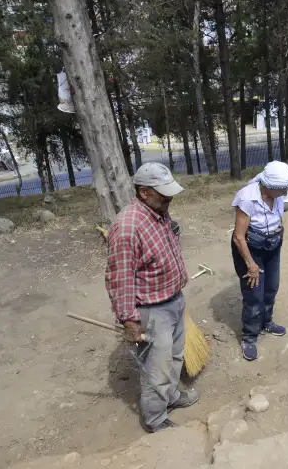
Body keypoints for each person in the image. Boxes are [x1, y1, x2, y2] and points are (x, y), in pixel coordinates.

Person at [105, 162, 199, 433]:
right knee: (156, 370)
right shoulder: (127, 227)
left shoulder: (158, 212)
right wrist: (129, 321)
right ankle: (156, 419)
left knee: (175, 357)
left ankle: (171, 397)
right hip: (151, 310)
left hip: (173, 300)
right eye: (163, 193)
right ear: (144, 192)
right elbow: (119, 280)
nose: (169, 198)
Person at [231, 161, 288, 361]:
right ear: (269, 187)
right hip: (250, 249)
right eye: (282, 190)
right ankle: (249, 336)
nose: (286, 193)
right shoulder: (248, 198)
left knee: (271, 287)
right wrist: (251, 265)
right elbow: (238, 237)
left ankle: (266, 322)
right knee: (254, 295)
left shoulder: (280, 192)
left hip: (272, 245)